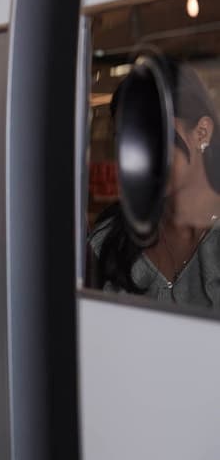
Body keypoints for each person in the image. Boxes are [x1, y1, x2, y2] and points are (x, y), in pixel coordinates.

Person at [87, 58, 220, 306]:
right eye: (127, 142)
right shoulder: (109, 240)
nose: (139, 157)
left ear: (202, 132)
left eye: (154, 135)